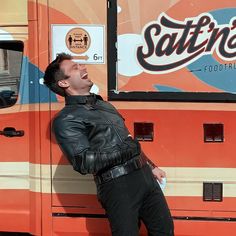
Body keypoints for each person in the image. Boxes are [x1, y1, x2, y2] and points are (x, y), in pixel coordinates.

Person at [44, 53, 174, 236]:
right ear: (64, 83)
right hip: (118, 185)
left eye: (80, 65)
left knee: (164, 231)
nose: (83, 67)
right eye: (75, 68)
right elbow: (84, 162)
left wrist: (151, 166)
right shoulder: (66, 119)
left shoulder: (104, 106)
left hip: (144, 175)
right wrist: (125, 152)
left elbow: (127, 139)